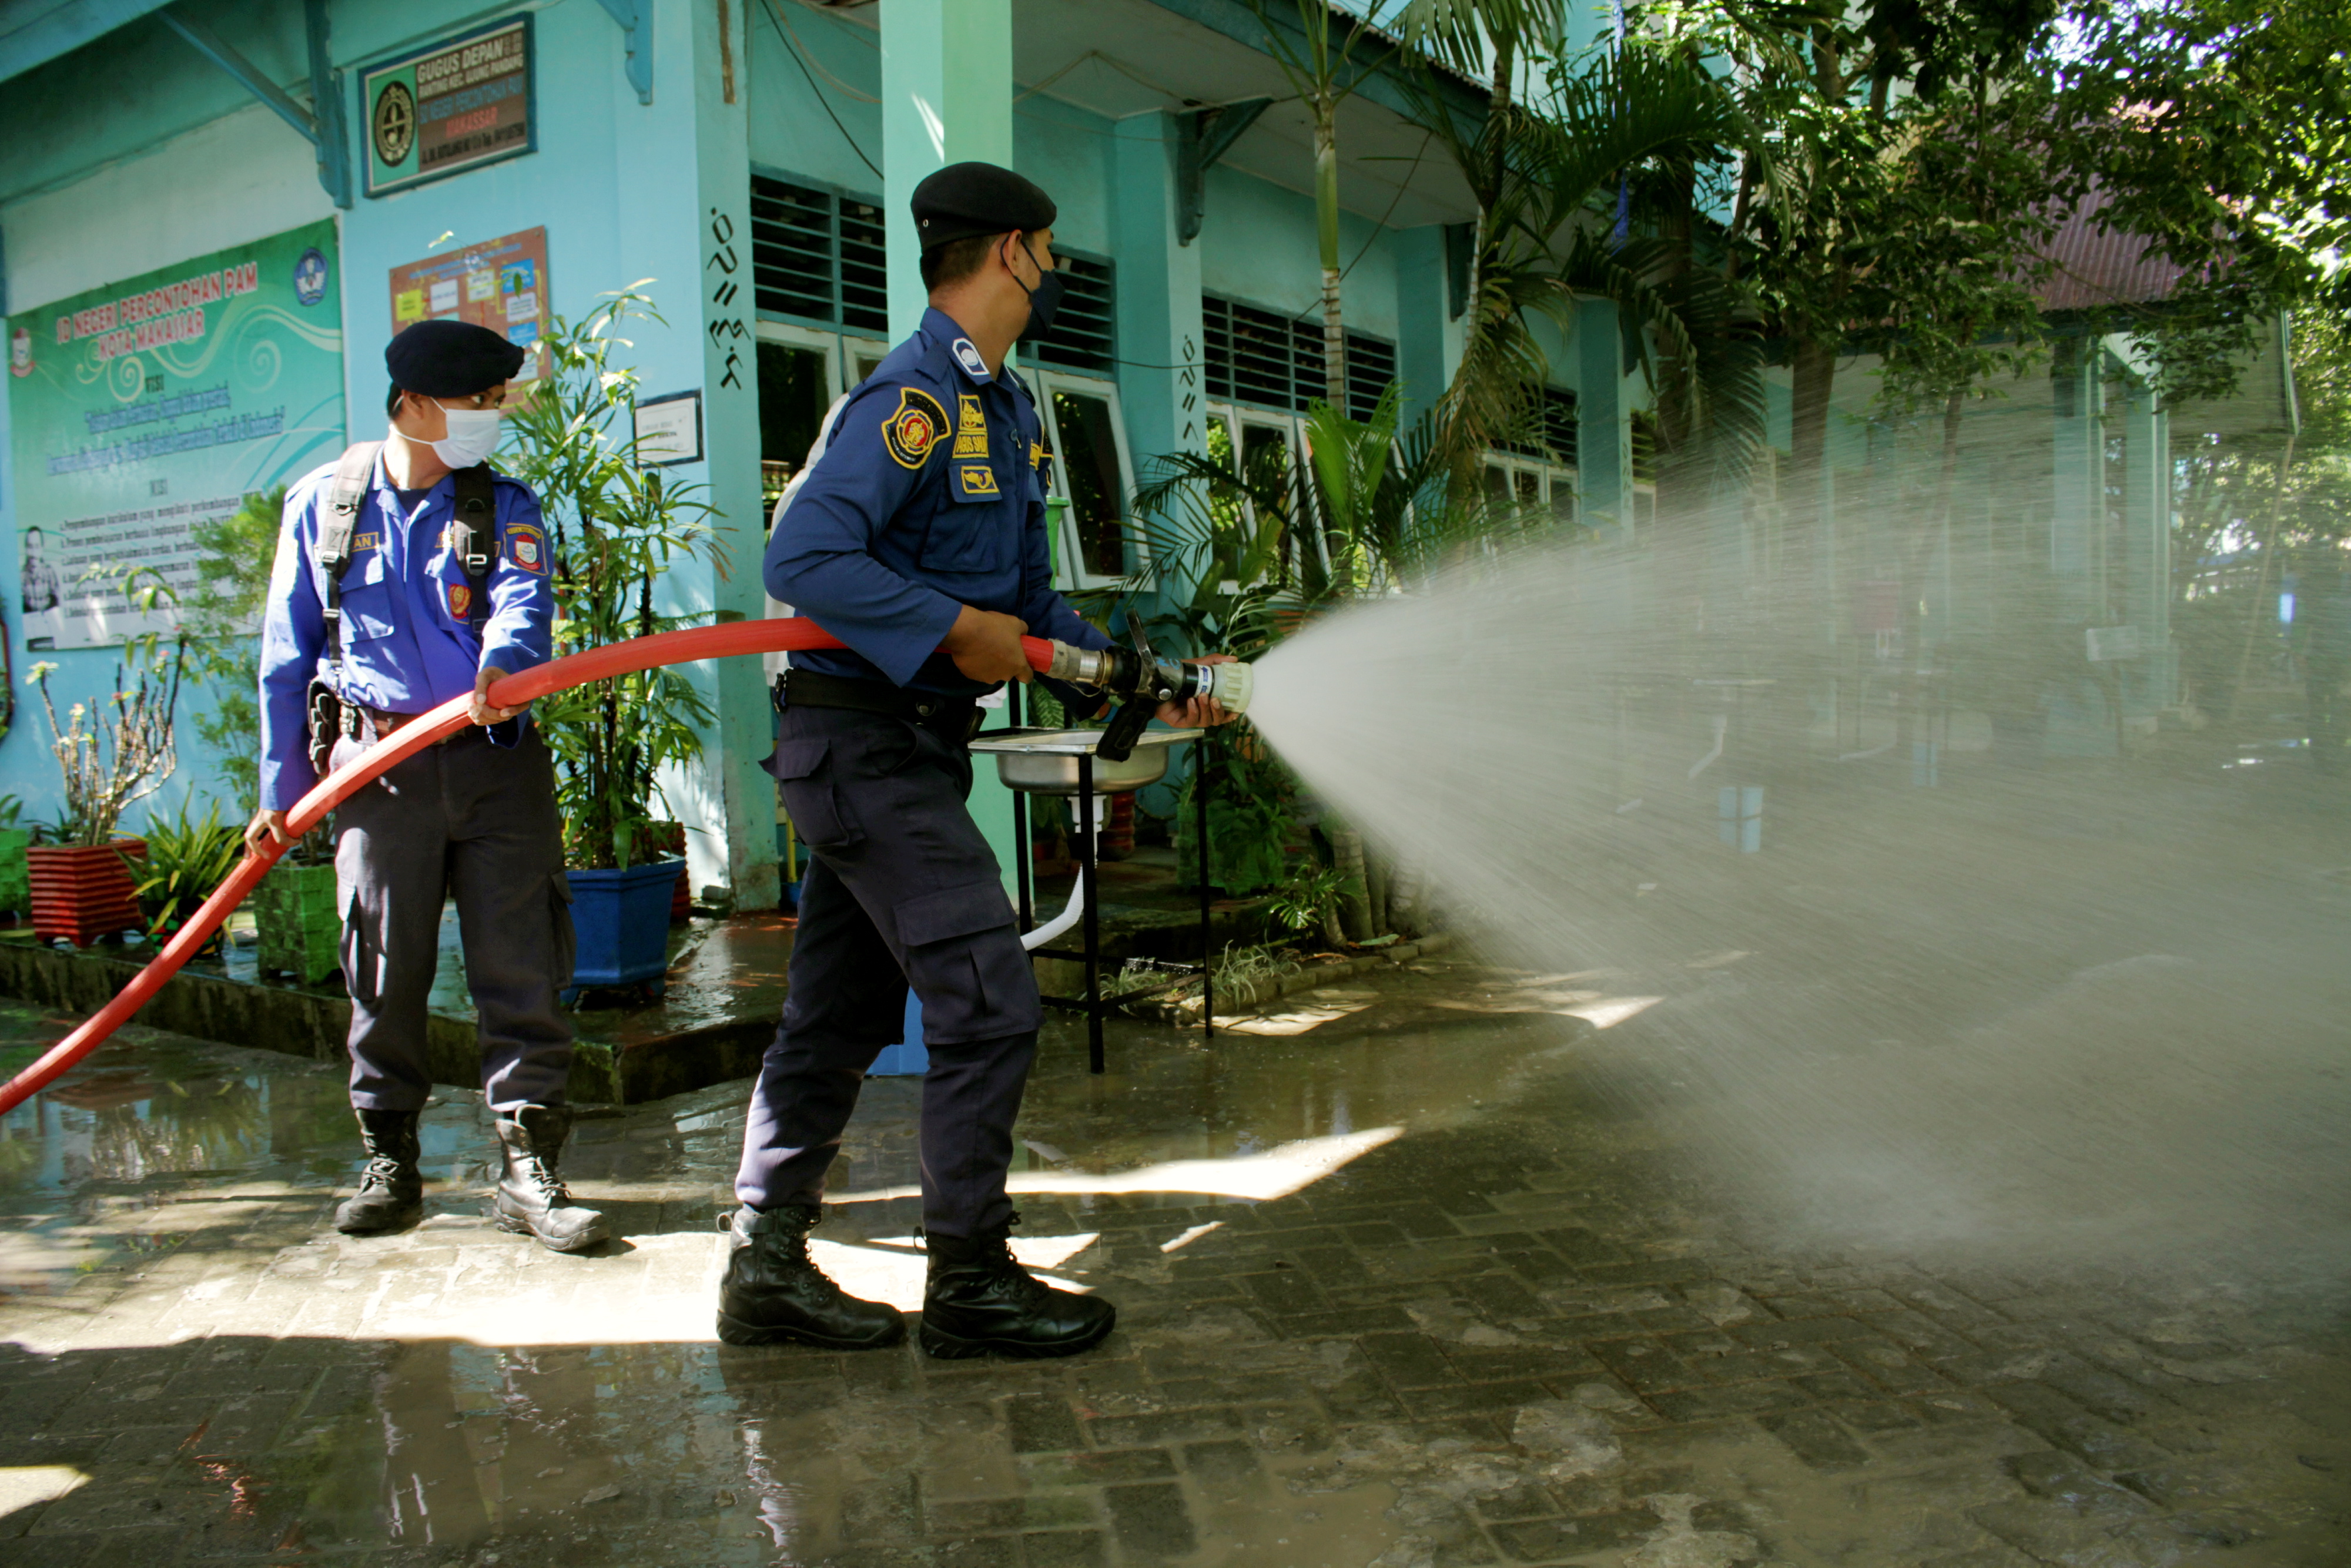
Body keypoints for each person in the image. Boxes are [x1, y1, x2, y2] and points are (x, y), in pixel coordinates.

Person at [721, 161, 1234, 1358]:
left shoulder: (1004, 411)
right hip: (858, 744)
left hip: (900, 749)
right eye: (1049, 252)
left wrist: (1150, 677)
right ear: (1014, 250)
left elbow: (1030, 609)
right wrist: (955, 631)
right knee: (991, 996)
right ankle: (966, 1276)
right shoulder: (909, 399)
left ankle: (764, 1264)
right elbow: (802, 560)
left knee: (835, 1012)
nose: (1052, 272)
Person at [249, 319, 605, 1254]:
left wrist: (505, 667)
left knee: (522, 960)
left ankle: (528, 1167)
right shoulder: (322, 506)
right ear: (411, 404)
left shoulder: (503, 505)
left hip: (496, 762)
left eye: (496, 403)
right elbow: (287, 658)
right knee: (382, 966)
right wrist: (281, 794)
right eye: (477, 403)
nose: (491, 419)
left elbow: (525, 600)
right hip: (375, 772)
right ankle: (390, 1159)